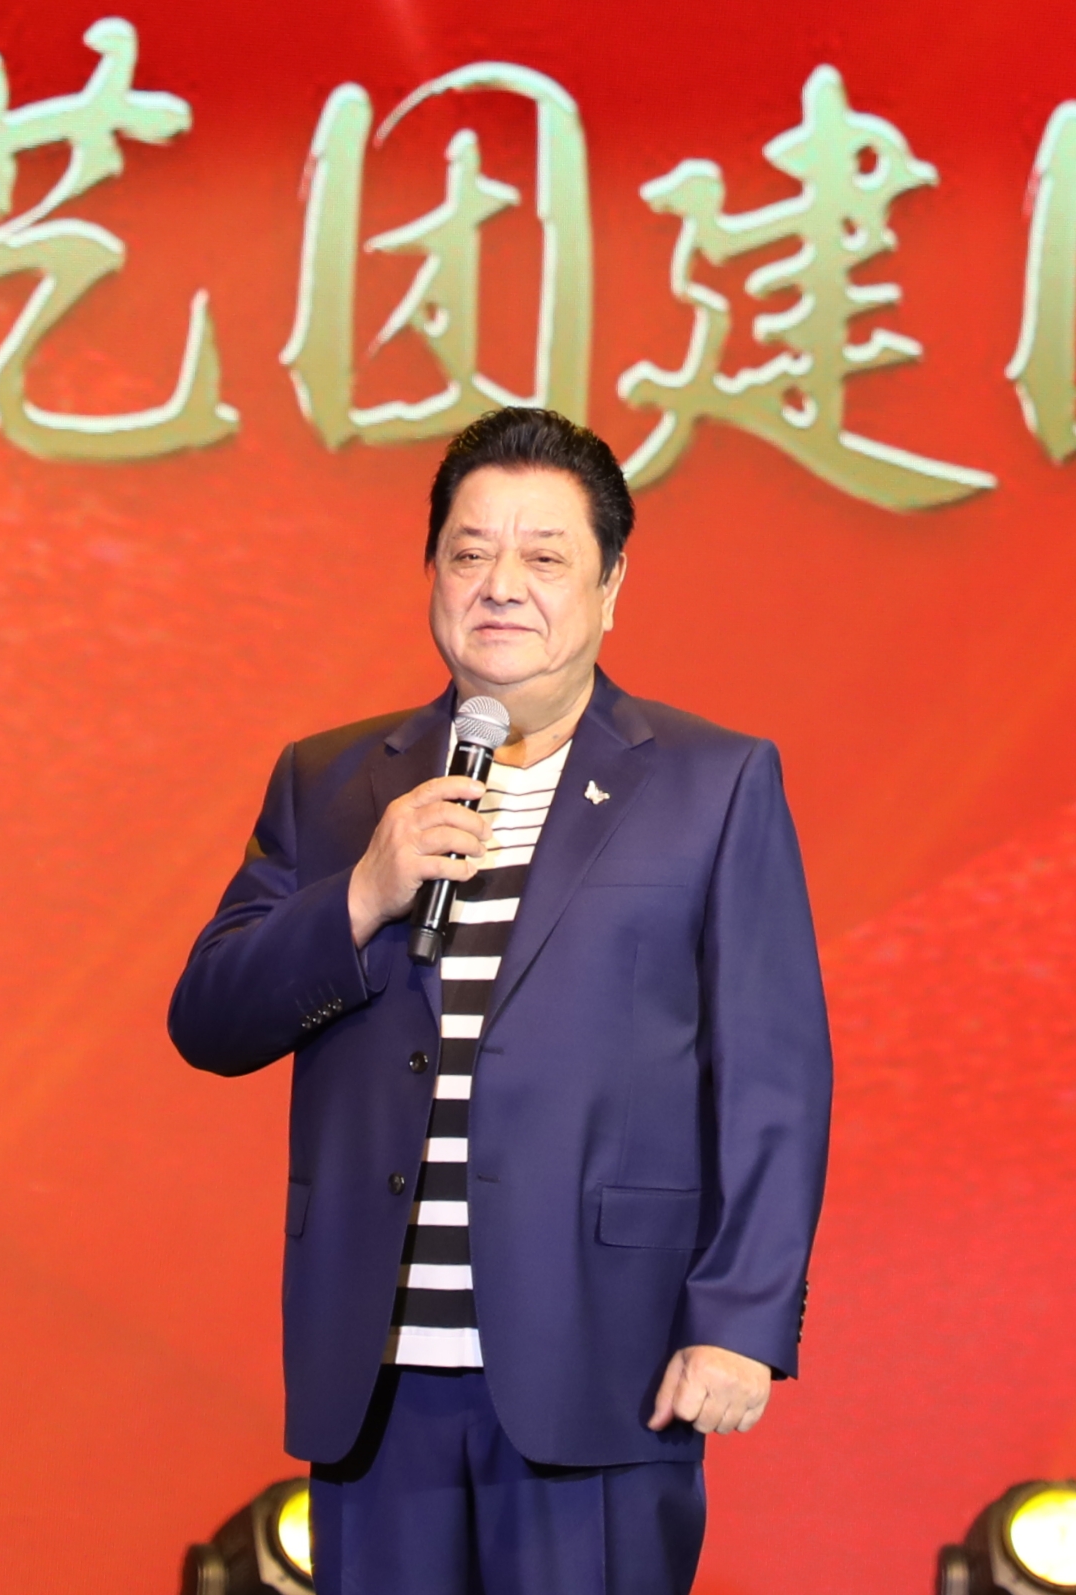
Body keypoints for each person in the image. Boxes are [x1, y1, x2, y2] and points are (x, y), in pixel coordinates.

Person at [169, 406, 832, 1595]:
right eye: (469, 551)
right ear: (430, 571)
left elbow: (771, 1076)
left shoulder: (711, 781)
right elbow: (210, 1019)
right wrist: (363, 894)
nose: (500, 585)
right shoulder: (332, 781)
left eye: (544, 555)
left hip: (602, 1365)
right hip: (376, 1380)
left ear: (610, 584)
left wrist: (739, 1317)